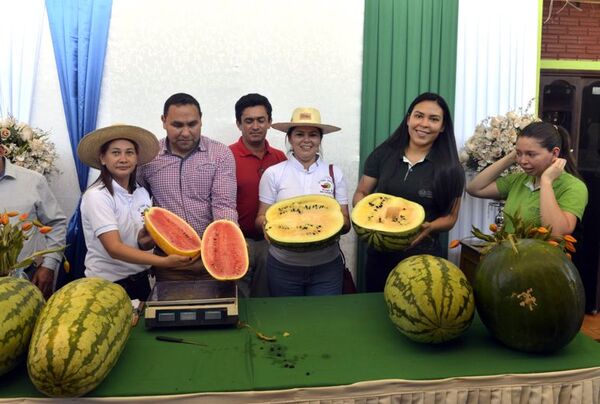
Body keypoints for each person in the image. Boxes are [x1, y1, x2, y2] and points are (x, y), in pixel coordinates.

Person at [353, 92, 465, 293]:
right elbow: (361, 192)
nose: (424, 124)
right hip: (380, 256)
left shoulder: (451, 169)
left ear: (443, 127)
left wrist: (429, 227)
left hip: (423, 260)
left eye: (433, 119)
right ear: (408, 119)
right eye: (418, 116)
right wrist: (365, 217)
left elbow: (451, 217)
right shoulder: (383, 154)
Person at [78, 125, 195, 300]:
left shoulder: (141, 192)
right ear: (103, 158)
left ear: (137, 158)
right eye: (116, 153)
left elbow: (140, 244)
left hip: (141, 283)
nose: (123, 159)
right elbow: (114, 249)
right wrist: (164, 262)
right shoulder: (97, 196)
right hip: (108, 286)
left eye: (129, 153)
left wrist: (146, 240)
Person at [138, 93, 238, 281]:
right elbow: (136, 202)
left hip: (212, 257)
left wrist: (226, 245)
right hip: (168, 260)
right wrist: (142, 236)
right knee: (173, 309)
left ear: (201, 120)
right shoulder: (148, 158)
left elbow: (223, 205)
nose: (185, 133)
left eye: (192, 124)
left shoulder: (220, 154)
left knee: (217, 309)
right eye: (177, 125)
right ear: (163, 121)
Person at [256, 107, 351, 296]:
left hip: (327, 268)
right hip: (283, 266)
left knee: (323, 319)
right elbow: (260, 218)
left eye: (313, 135)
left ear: (320, 139)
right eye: (299, 134)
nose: (306, 140)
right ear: (290, 138)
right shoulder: (273, 173)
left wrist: (332, 226)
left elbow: (346, 222)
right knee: (287, 321)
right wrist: (267, 226)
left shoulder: (334, 173)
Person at [466, 121, 588, 236]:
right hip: (509, 256)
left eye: (531, 154)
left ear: (555, 153)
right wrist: (510, 158)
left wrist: (546, 181)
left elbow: (556, 232)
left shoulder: (573, 187)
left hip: (544, 258)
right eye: (519, 153)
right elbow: (474, 189)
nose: (522, 161)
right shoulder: (519, 180)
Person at [229, 93, 286, 297]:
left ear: (269, 122)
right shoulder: (226, 157)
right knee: (238, 301)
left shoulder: (280, 158)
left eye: (261, 120)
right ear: (239, 124)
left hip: (269, 242)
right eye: (249, 121)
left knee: (265, 300)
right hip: (237, 240)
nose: (255, 126)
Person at [0, 156, 67, 299]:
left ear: (1, 150)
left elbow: (56, 223)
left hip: (25, 278)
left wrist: (49, 265)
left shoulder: (32, 181)